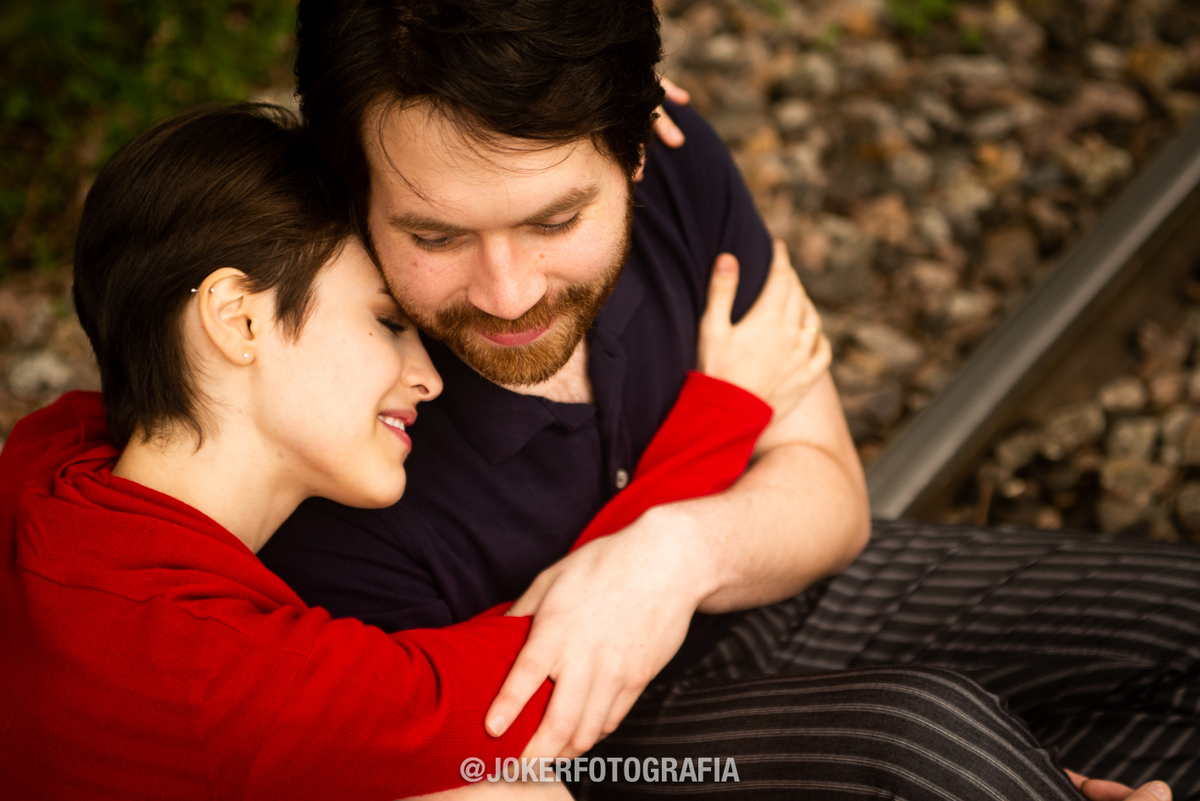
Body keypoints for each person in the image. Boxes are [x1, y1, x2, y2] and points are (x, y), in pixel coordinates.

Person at [258, 1, 1200, 799]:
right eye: (435, 236)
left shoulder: (677, 160)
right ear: (353, 192)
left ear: (635, 151)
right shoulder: (323, 430)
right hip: (594, 751)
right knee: (923, 743)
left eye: (557, 220)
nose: (508, 294)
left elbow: (832, 494)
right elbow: (480, 759)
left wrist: (672, 557)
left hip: (771, 583)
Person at [0, 102, 829, 799]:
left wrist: (578, 99)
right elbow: (516, 694)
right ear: (239, 318)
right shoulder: (207, 667)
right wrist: (724, 417)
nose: (428, 375)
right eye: (386, 321)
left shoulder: (49, 465)